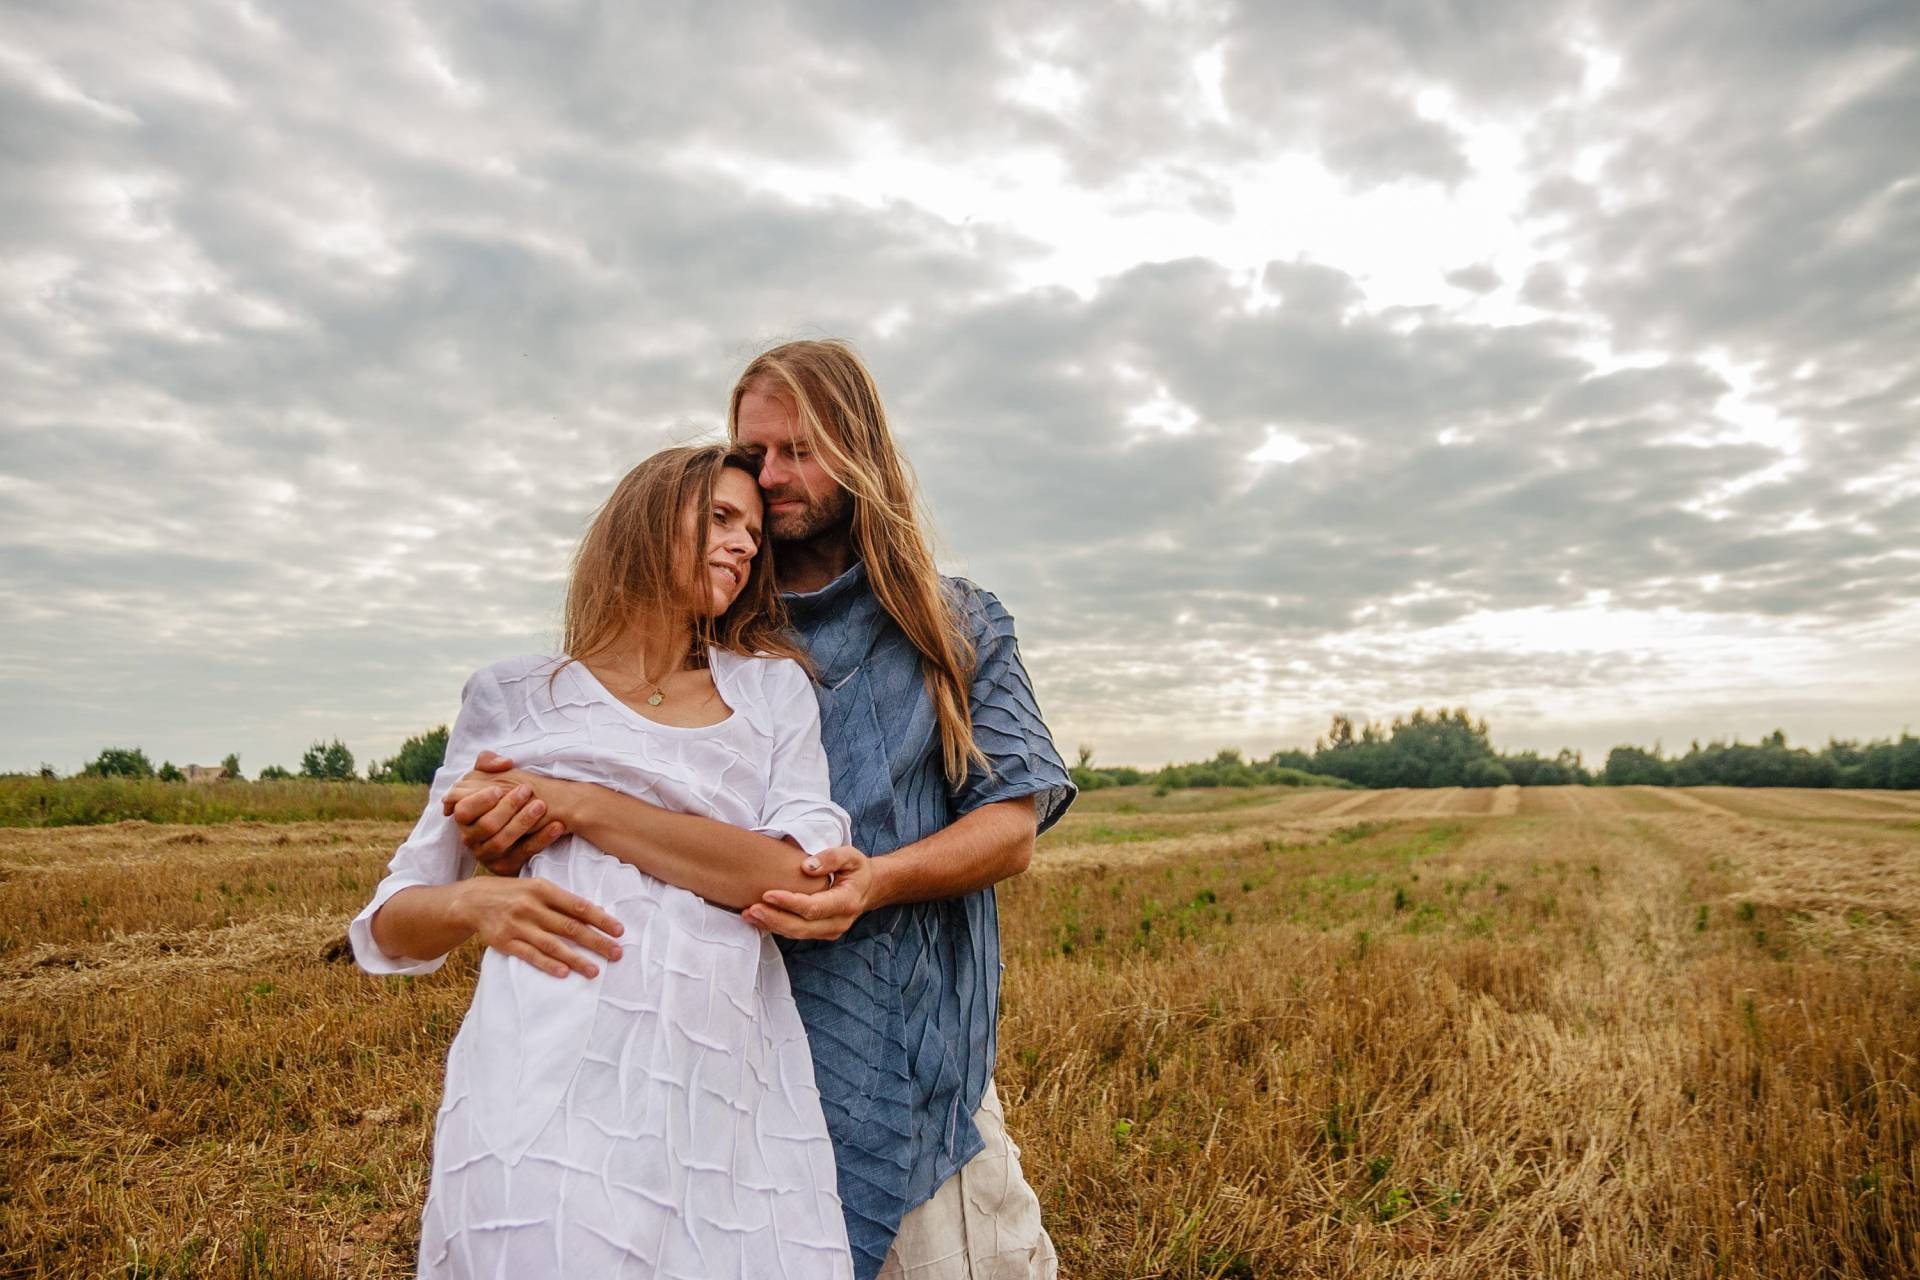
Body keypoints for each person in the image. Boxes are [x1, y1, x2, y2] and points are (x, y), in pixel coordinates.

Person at [445, 340, 1076, 1279]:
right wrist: (515, 826)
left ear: (860, 452)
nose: (770, 477)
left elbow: (1012, 826)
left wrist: (878, 882)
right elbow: (616, 765)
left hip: (918, 1051)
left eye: (798, 451)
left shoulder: (956, 623)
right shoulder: (721, 625)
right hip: (731, 1051)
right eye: (755, 452)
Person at [349, 445, 858, 1279]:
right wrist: (480, 906)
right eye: (722, 519)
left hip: (720, 1074)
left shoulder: (770, 691)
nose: (744, 546)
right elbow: (391, 924)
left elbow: (790, 876)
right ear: (649, 519)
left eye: (756, 535)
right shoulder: (511, 694)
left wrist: (579, 803)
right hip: (541, 1060)